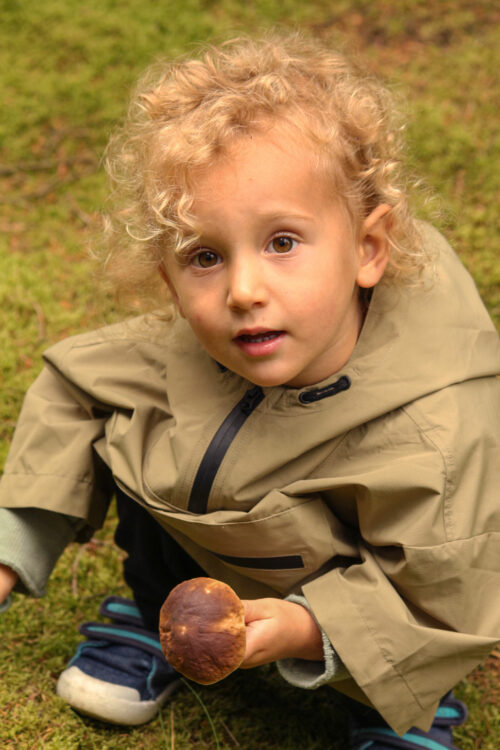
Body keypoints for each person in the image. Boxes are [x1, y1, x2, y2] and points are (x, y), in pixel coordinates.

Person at [0, 33, 498, 750]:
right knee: (134, 414)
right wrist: (11, 551)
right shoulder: (186, 349)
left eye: (283, 242)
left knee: (408, 630)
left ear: (367, 248)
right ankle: (151, 612)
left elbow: (445, 586)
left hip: (365, 602)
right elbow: (78, 390)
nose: (243, 291)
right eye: (205, 255)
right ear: (169, 279)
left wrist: (302, 626)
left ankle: (398, 708)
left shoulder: (434, 432)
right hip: (216, 559)